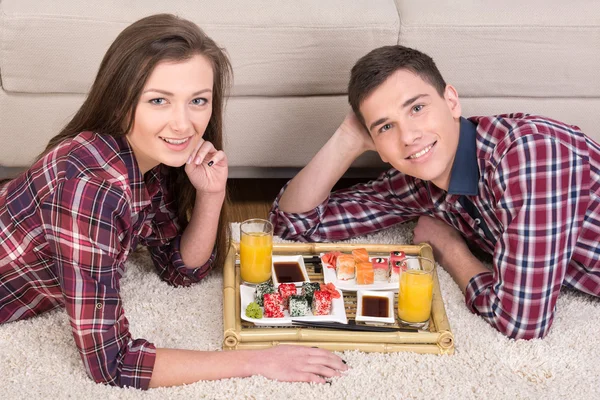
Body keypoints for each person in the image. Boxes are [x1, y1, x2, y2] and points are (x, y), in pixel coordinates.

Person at [0, 14, 347, 390]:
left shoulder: (151, 156)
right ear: (121, 101)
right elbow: (112, 364)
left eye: (198, 100)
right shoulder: (91, 190)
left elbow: (181, 271)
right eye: (159, 101)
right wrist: (256, 360)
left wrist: (211, 193)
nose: (183, 125)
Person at [269, 45, 600, 340]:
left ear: (451, 101)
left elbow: (521, 323)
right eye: (385, 127)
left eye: (416, 108)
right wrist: (345, 139)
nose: (409, 136)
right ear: (378, 147)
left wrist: (451, 252)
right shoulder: (418, 183)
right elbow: (292, 224)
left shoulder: (529, 155)